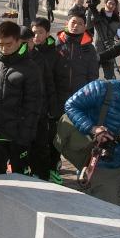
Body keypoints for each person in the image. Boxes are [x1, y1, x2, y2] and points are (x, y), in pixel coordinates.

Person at [60, 77, 120, 206]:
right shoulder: (103, 89)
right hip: (101, 162)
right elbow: (71, 105)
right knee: (105, 209)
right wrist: (93, 128)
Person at [0, 21, 44, 175]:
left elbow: (34, 105)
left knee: (21, 179)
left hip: (18, 137)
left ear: (19, 41)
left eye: (9, 44)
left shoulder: (31, 68)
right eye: (0, 44)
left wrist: (25, 137)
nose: (4, 49)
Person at [30, 19, 69, 184]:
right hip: (32, 106)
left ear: (47, 33)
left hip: (50, 105)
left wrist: (58, 107)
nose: (36, 36)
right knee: (34, 139)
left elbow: (61, 83)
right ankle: (35, 169)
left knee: (51, 139)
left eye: (39, 32)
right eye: (33, 32)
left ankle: (52, 168)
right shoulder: (27, 51)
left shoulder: (55, 54)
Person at [56, 9, 100, 102]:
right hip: (58, 95)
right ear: (67, 23)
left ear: (84, 27)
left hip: (80, 96)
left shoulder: (89, 48)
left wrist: (88, 94)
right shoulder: (57, 45)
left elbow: (93, 74)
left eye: (80, 24)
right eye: (73, 22)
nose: (76, 26)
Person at [90, 0, 120, 79]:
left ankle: (110, 92)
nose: (111, 6)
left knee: (110, 77)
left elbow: (119, 34)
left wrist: (119, 38)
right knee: (92, 76)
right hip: (98, 49)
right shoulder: (97, 15)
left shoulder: (117, 18)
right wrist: (91, 9)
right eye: (109, 3)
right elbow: (88, 24)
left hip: (110, 49)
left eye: (114, 4)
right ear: (105, 3)